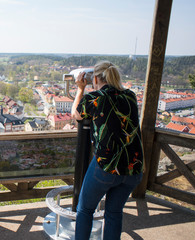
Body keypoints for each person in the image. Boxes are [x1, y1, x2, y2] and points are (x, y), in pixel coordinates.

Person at [71, 61, 144, 240]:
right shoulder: (131, 96)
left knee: (85, 210)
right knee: (114, 212)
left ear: (95, 78)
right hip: (133, 167)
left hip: (108, 165)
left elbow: (76, 115)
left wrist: (80, 89)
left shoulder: (95, 98)